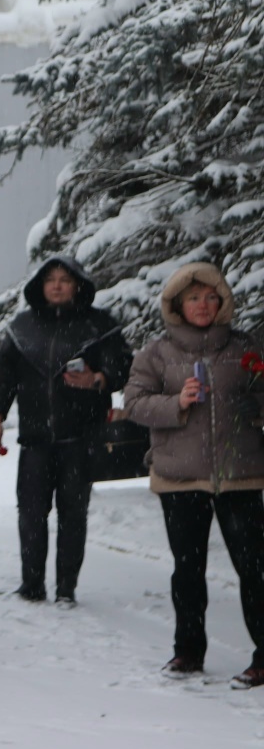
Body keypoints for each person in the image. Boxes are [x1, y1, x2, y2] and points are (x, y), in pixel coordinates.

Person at [123, 262, 264, 688]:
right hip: (180, 478)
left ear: (222, 302)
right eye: (193, 298)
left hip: (240, 474)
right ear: (177, 305)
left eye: (210, 297)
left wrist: (256, 406)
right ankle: (187, 652)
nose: (203, 305)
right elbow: (134, 404)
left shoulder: (246, 347)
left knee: (256, 569)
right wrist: (177, 403)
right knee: (188, 571)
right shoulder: (156, 353)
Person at [0, 257, 133, 605]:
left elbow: (123, 366)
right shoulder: (22, 327)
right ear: (40, 285)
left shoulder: (99, 324)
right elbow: (4, 377)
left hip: (81, 438)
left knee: (73, 515)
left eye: (65, 279)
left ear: (78, 284)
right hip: (34, 439)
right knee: (31, 513)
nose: (57, 285)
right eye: (50, 279)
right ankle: (31, 585)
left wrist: (98, 378)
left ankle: (66, 588)